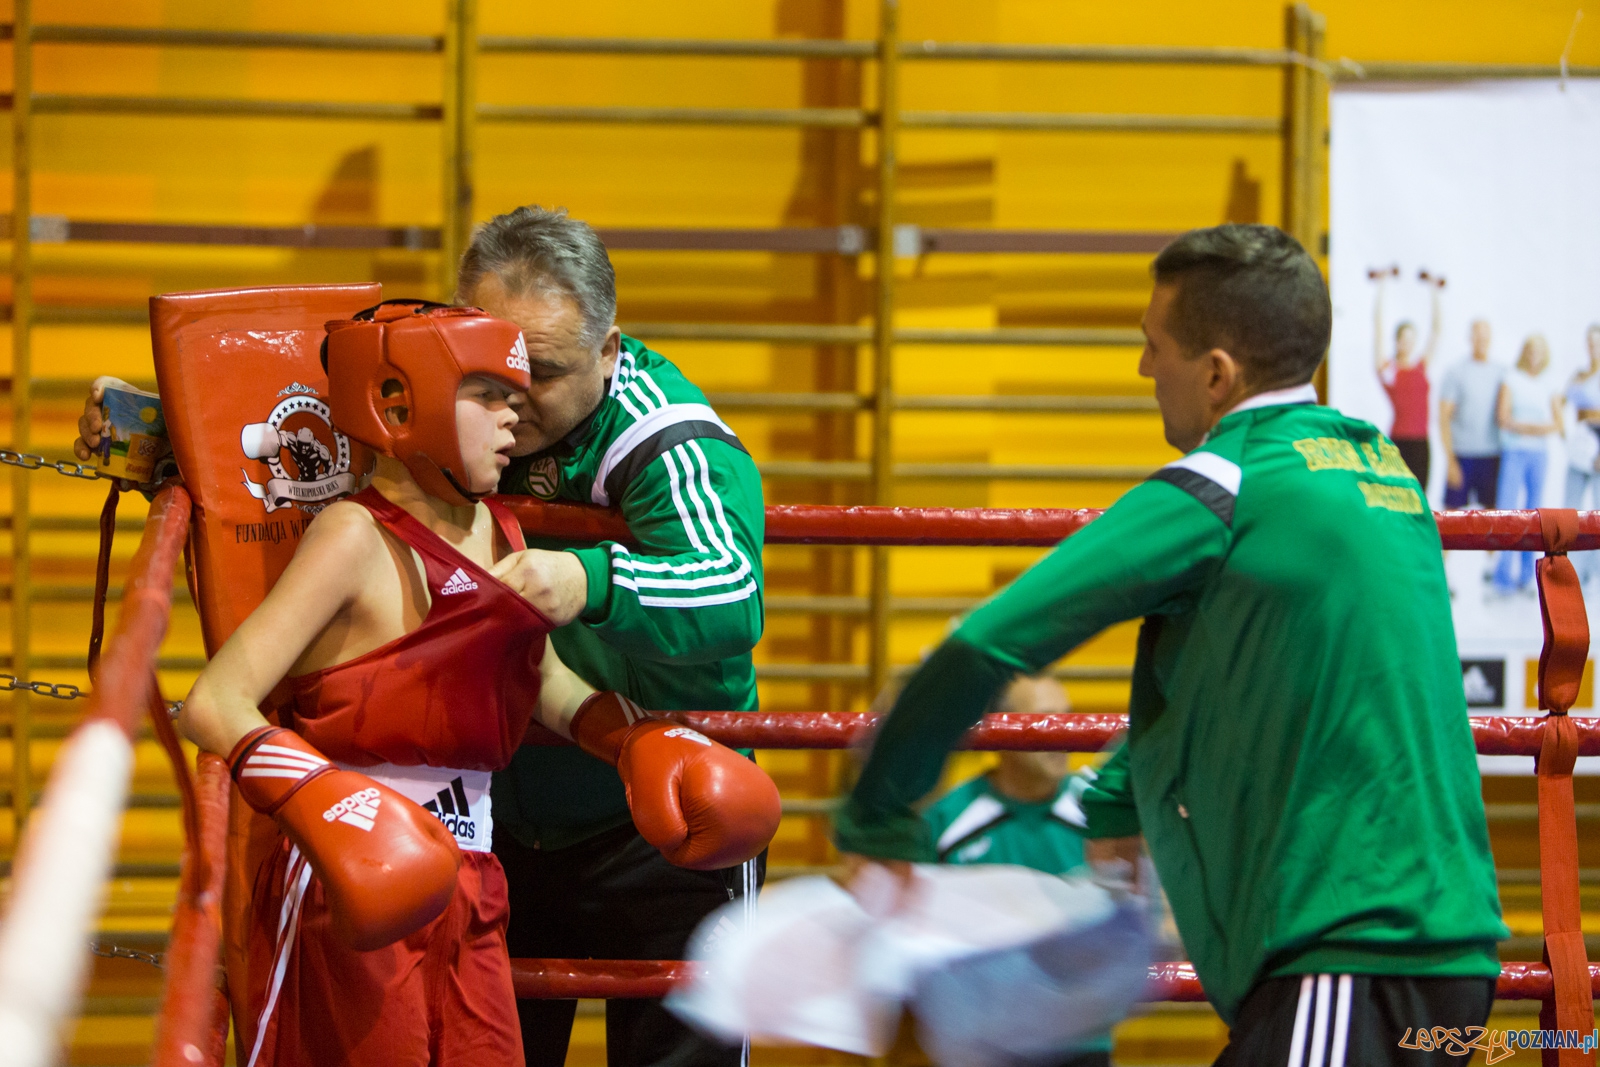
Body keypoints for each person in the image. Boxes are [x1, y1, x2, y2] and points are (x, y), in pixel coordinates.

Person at [76, 207, 768, 1067]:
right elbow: (303, 410)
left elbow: (728, 592)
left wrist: (610, 667)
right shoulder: (404, 490)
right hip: (465, 835)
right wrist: (166, 429)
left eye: (541, 372)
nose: (515, 399)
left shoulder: (662, 443)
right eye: (490, 373)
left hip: (643, 826)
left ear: (608, 350)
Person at [833, 224, 1506, 1067]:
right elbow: (1259, 676)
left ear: (1217, 373)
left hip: (1351, 951)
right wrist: (1120, 798)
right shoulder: (1380, 473)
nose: (1143, 368)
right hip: (1427, 952)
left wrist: (880, 811)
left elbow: (987, 643)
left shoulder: (1227, 482)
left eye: (1155, 345)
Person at [918, 675, 1115, 1067]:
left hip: (1081, 1040)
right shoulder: (947, 821)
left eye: (1068, 718)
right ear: (1000, 730)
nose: (1064, 734)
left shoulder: (1106, 810)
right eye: (1046, 720)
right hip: (984, 1040)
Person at [1492, 334, 1563, 595]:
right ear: (1524, 352)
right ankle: (1502, 577)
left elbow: (1558, 423)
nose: (1534, 355)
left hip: (1538, 456)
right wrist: (1535, 428)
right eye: (1531, 350)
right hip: (1514, 452)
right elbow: (1503, 417)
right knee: (1508, 512)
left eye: (1539, 351)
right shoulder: (1511, 379)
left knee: (1535, 515)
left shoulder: (1549, 383)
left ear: (1545, 355)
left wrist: (1524, 427)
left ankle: (1527, 576)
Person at [1371, 267, 1443, 485]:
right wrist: (1381, 285)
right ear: (1397, 341)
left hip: (1421, 442)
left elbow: (1437, 329)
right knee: (1397, 493)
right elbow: (1377, 327)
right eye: (1404, 339)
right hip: (1399, 442)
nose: (1408, 344)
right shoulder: (1389, 370)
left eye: (1412, 339)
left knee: (1420, 495)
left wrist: (1433, 288)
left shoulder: (1422, 366)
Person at [1438, 319, 1504, 509]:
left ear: (1490, 338)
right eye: (1477, 335)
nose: (1481, 340)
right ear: (1470, 337)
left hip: (1491, 455)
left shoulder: (1501, 372)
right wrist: (1450, 460)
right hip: (1462, 455)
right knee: (1451, 515)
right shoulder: (1456, 371)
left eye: (1485, 336)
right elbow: (1443, 418)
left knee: (1493, 516)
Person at [1565, 325, 1600, 588]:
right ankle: (1571, 572)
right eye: (1590, 342)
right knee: (1571, 512)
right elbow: (1561, 403)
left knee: (1598, 514)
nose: (1593, 347)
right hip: (1581, 445)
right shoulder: (1579, 375)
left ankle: (1593, 574)